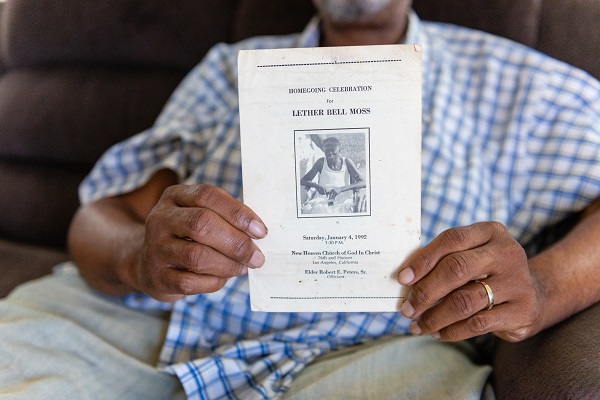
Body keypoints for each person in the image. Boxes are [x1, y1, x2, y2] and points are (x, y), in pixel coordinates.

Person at [1, 0, 599, 399]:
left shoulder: (515, 84)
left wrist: (543, 288)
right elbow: (100, 218)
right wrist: (140, 255)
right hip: (138, 333)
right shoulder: (228, 70)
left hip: (375, 361)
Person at [300, 136, 366, 214]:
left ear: (339, 150)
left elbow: (363, 182)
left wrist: (341, 189)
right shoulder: (321, 162)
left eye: (333, 151)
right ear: (324, 151)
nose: (330, 154)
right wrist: (316, 186)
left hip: (342, 199)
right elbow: (303, 181)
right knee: (317, 210)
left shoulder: (346, 162)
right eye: (327, 151)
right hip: (323, 198)